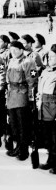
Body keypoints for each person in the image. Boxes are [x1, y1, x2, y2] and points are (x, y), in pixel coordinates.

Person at [6, 41, 37, 161]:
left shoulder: (28, 62)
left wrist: (30, 98)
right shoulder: (11, 61)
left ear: (21, 50)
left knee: (23, 125)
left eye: (15, 50)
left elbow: (32, 81)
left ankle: (24, 151)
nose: (13, 52)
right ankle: (17, 147)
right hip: (12, 95)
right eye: (11, 50)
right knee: (14, 125)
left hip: (22, 94)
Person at [37, 44, 56, 174]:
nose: (50, 59)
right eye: (49, 56)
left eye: (53, 56)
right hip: (44, 108)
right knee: (48, 137)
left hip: (54, 109)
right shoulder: (45, 71)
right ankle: (50, 160)